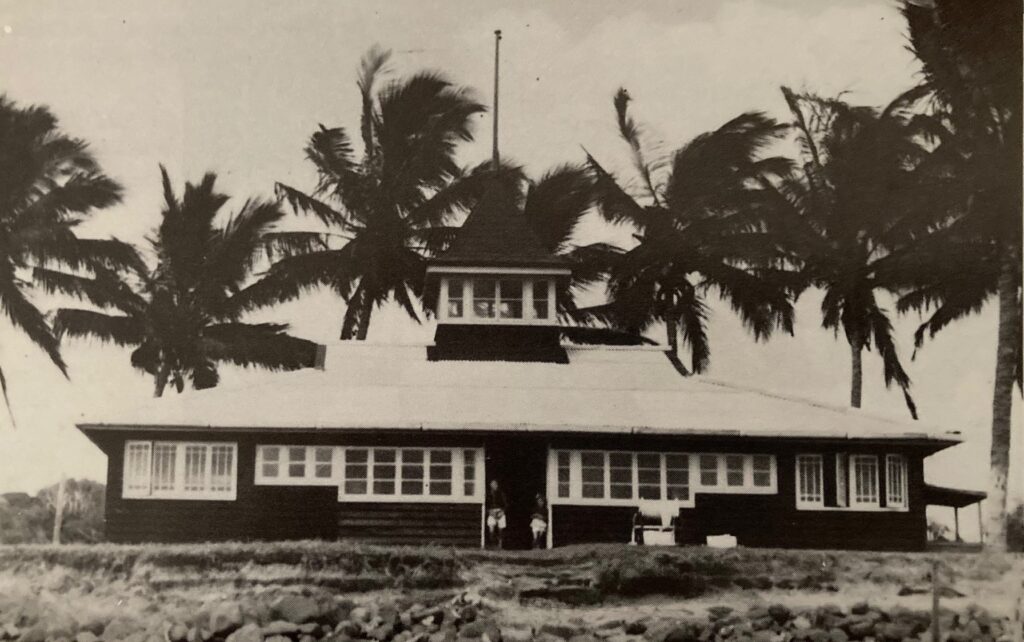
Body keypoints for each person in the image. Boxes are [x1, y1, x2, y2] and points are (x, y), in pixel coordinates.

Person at [485, 479, 507, 548]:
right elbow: (486, 505)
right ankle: (492, 544)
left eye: (495, 484)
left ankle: (500, 544)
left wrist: (502, 512)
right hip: (491, 512)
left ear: (497, 485)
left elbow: (505, 505)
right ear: (490, 486)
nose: (493, 486)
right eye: (492, 484)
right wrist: (490, 512)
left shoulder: (501, 494)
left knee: (501, 529)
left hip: (500, 511)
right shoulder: (488, 494)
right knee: (491, 528)